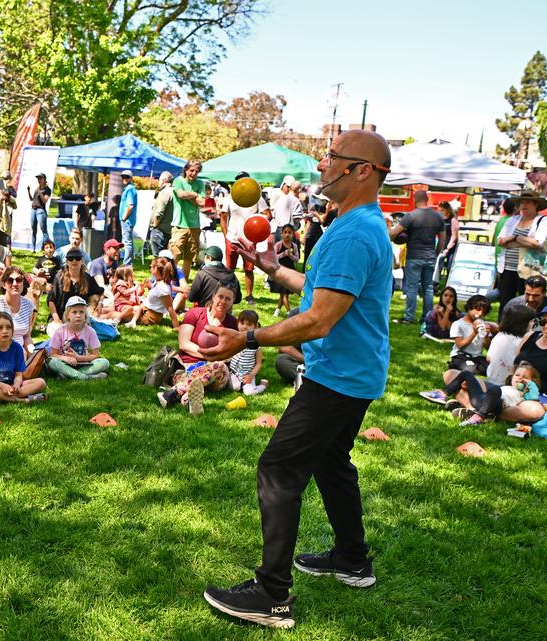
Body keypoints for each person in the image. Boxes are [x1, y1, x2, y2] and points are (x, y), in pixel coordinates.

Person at [199, 130, 395, 629]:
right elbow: (321, 290)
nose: (323, 164)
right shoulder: (358, 225)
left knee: (278, 472)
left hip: (339, 378)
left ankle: (271, 595)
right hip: (353, 372)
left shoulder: (353, 233)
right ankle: (353, 560)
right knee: (332, 463)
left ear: (362, 171)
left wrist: (247, 340)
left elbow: (319, 320)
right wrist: (272, 268)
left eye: (334, 158)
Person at [157, 285, 239, 415]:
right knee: (198, 376)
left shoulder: (233, 324)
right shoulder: (194, 313)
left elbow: (233, 352)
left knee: (219, 366)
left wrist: (214, 360)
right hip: (187, 369)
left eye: (228, 299)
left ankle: (174, 393)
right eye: (220, 296)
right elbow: (184, 344)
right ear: (213, 296)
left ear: (232, 301)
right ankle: (188, 399)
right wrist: (211, 355)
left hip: (216, 374)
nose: (223, 301)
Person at [390, 190, 445, 325]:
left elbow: (393, 233)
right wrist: (436, 252)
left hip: (414, 256)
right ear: (427, 199)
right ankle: (427, 317)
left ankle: (409, 317)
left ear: (415, 199)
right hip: (430, 256)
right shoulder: (438, 216)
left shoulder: (411, 216)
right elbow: (442, 238)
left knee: (412, 287)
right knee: (428, 288)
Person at [495, 190, 547, 314]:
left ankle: (526, 330)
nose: (524, 205)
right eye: (522, 202)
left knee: (529, 302)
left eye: (528, 202)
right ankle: (503, 329)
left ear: (536, 204)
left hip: (529, 267)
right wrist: (525, 242)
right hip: (508, 267)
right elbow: (500, 241)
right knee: (505, 302)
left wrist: (514, 238)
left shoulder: (543, 220)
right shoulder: (512, 220)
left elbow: (537, 243)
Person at [0, 311, 46, 405]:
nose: (5, 331)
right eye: (0, 328)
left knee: (41, 382)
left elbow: (18, 374)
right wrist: (2, 386)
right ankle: (20, 400)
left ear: (12, 331)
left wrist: (16, 384)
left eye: (9, 327)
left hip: (11, 384)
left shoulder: (17, 348)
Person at [222, 172, 272, 306]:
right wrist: (226, 235)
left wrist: (257, 229)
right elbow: (223, 217)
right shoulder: (229, 198)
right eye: (239, 181)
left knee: (249, 269)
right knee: (229, 269)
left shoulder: (256, 197)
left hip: (249, 240)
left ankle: (249, 295)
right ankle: (228, 293)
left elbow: (268, 214)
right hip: (232, 238)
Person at [447, 362, 541, 426]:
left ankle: (478, 417)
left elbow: (534, 397)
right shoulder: (505, 387)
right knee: (467, 374)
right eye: (517, 375)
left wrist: (530, 384)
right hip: (483, 399)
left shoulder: (524, 394)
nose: (520, 378)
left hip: (497, 405)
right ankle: (443, 394)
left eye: (525, 377)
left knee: (495, 390)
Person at [46, 296, 110, 380]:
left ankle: (68, 375)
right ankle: (86, 377)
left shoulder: (90, 331)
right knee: (51, 361)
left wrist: (79, 358)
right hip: (64, 363)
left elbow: (96, 354)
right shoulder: (60, 331)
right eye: (74, 312)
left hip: (83, 363)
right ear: (68, 315)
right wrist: (66, 358)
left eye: (81, 312)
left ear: (85, 315)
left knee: (104, 362)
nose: (78, 315)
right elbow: (53, 354)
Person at [47, 248, 103, 337]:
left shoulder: (87, 278)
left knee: (87, 335)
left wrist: (100, 303)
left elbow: (99, 292)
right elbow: (51, 301)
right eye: (70, 258)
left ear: (82, 261)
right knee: (58, 335)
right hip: (60, 318)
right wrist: (57, 321)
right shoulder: (59, 278)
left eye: (77, 258)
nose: (74, 261)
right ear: (67, 261)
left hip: (80, 319)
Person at [0, 266, 36, 353]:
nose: (15, 284)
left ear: (23, 283)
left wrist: (32, 351)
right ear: (4, 284)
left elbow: (27, 336)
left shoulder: (28, 305)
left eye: (19, 280)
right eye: (10, 280)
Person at [170, 160, 205, 277]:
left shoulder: (200, 183)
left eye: (197, 171)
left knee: (189, 259)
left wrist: (187, 195)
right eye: (191, 170)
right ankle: (169, 280)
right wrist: (195, 194)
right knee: (174, 256)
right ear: (185, 170)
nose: (194, 173)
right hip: (179, 225)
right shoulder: (177, 181)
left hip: (194, 226)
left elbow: (202, 202)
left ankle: (182, 283)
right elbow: (180, 195)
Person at [447, 295, 496, 374]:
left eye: (483, 312)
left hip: (477, 357)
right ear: (469, 307)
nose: (480, 313)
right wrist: (474, 333)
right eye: (478, 310)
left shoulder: (482, 323)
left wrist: (486, 336)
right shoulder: (458, 324)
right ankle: (455, 365)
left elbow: (488, 347)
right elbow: (460, 345)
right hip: (461, 355)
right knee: (469, 369)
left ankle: (475, 367)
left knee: (491, 369)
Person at [228, 310, 268, 395]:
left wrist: (251, 375)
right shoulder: (234, 340)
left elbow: (258, 363)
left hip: (248, 375)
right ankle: (238, 385)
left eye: (249, 324)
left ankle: (263, 385)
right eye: (242, 323)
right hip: (234, 373)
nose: (245, 327)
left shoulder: (256, 345)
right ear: (238, 324)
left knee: (249, 393)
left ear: (255, 326)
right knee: (234, 387)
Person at [137, 258, 180, 328]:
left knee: (123, 312)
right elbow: (156, 296)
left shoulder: (162, 288)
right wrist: (149, 286)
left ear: (156, 269)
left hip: (149, 317)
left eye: (150, 267)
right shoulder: (159, 282)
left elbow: (170, 308)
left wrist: (177, 327)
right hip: (147, 311)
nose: (149, 269)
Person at [271, 224, 301, 317]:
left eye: (290, 233)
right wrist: (283, 254)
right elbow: (274, 257)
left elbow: (297, 259)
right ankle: (289, 313)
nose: (287, 235)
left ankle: (277, 310)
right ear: (282, 234)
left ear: (293, 234)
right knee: (284, 293)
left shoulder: (294, 246)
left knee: (284, 293)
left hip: (290, 271)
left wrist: (290, 255)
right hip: (280, 271)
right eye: (285, 232)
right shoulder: (278, 245)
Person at [149, 171, 174, 257]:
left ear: (163, 180)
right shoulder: (174, 191)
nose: (158, 182)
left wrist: (155, 225)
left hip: (160, 229)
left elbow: (159, 212)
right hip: (168, 228)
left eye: (159, 180)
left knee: (158, 256)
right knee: (165, 256)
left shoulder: (165, 192)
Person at [117, 170, 138, 264]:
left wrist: (124, 218)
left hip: (127, 220)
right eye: (123, 177)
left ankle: (127, 263)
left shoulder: (129, 189)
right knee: (127, 241)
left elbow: (130, 205)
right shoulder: (130, 189)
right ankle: (128, 262)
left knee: (127, 242)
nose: (124, 179)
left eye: (126, 177)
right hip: (128, 220)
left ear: (131, 178)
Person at [27, 172, 51, 248]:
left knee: (44, 230)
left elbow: (45, 200)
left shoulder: (47, 189)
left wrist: (39, 192)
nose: (39, 180)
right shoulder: (37, 188)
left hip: (41, 211)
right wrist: (28, 191)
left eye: (40, 178)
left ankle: (45, 247)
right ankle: (33, 248)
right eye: (38, 178)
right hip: (33, 209)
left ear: (44, 179)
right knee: (33, 230)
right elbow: (32, 199)